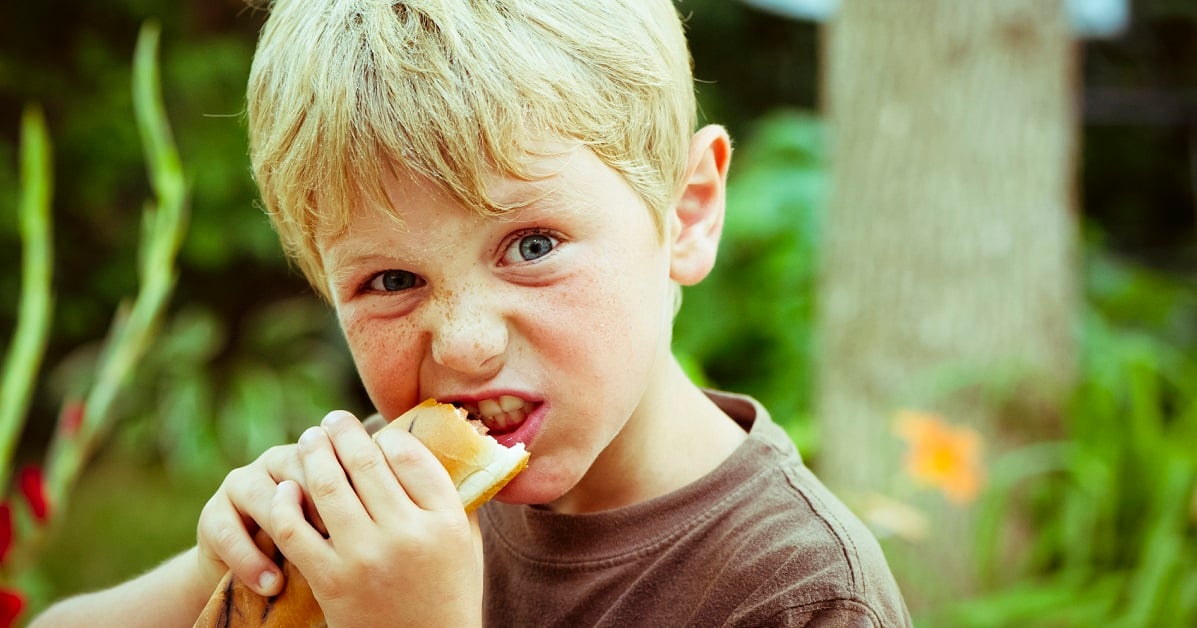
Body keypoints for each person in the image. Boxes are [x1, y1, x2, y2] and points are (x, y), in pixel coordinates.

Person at [32, 0, 912, 625]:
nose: (464, 345)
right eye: (390, 282)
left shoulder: (797, 593)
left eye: (531, 246)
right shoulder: (392, 494)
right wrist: (216, 571)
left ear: (685, 213)